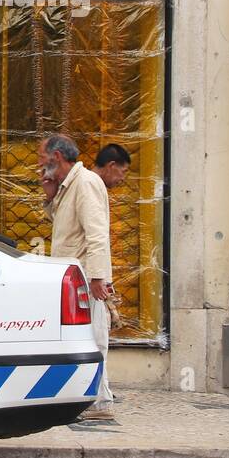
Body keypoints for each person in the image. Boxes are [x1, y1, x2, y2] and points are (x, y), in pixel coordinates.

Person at [38, 134, 115, 419]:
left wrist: (98, 278)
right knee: (86, 338)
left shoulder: (86, 183)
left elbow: (97, 234)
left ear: (56, 158)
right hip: (75, 280)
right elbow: (67, 227)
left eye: (41, 158)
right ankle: (95, 398)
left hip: (86, 279)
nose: (39, 164)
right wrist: (50, 197)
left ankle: (100, 402)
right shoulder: (69, 186)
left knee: (94, 337)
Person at [92, 143, 132, 338]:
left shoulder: (92, 184)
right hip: (91, 283)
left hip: (92, 279)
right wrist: (99, 277)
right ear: (111, 165)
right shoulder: (91, 184)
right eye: (122, 171)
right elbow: (95, 233)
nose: (123, 178)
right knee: (98, 339)